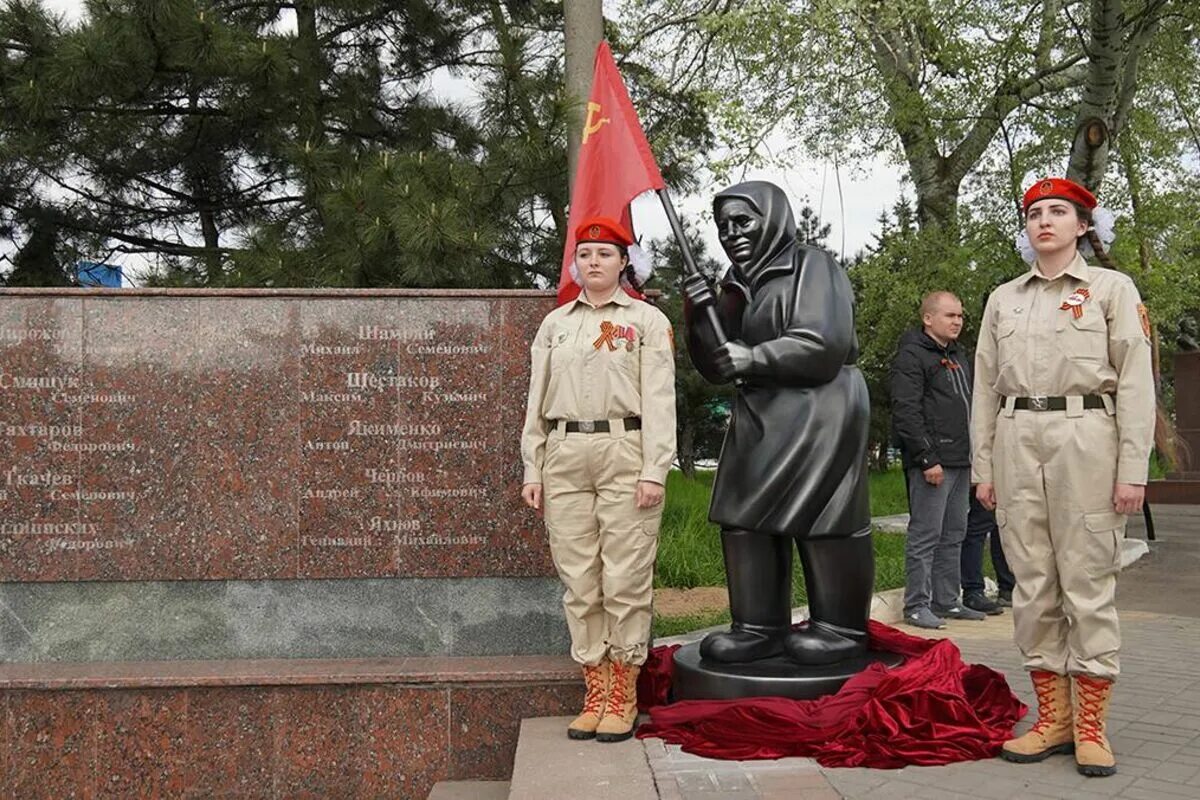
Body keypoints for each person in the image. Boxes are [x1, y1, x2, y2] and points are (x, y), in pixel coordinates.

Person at [972, 177, 1155, 778]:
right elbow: (983, 389)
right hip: (1017, 437)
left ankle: (1092, 727)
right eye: (1034, 213)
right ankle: (1053, 719)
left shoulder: (1111, 289)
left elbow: (1134, 383)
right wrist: (983, 466)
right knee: (1031, 586)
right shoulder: (1004, 298)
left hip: (1087, 438)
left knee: (1087, 583)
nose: (1044, 220)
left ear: (1083, 226)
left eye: (1058, 212)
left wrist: (1133, 469)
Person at [682, 180, 873, 668]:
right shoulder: (735, 281)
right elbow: (716, 366)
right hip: (759, 413)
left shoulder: (812, 265)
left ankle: (840, 626)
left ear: (772, 216)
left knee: (824, 513)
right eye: (723, 226)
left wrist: (755, 356)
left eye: (742, 221)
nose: (732, 233)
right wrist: (701, 318)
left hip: (819, 409)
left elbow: (824, 342)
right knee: (742, 515)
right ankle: (757, 625)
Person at [520, 216, 676, 743]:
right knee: (580, 581)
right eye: (584, 254)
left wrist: (655, 468)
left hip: (624, 451)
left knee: (626, 578)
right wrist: (532, 465)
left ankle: (623, 691)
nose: (593, 262)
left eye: (605, 254)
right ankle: (595, 688)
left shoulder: (645, 322)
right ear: (574, 264)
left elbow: (659, 400)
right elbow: (536, 401)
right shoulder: (555, 325)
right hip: (564, 452)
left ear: (623, 262)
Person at [891, 291, 987, 629]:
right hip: (932, 463)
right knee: (926, 535)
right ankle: (916, 605)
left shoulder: (960, 357)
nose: (957, 321)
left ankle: (947, 600)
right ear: (928, 319)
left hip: (962, 459)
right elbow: (907, 411)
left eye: (960, 316)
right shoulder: (913, 356)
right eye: (949, 315)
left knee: (954, 534)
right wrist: (926, 457)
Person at [960, 493, 1015, 612]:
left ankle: (1008, 586)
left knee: (1004, 523)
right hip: (985, 479)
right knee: (981, 521)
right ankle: (973, 591)